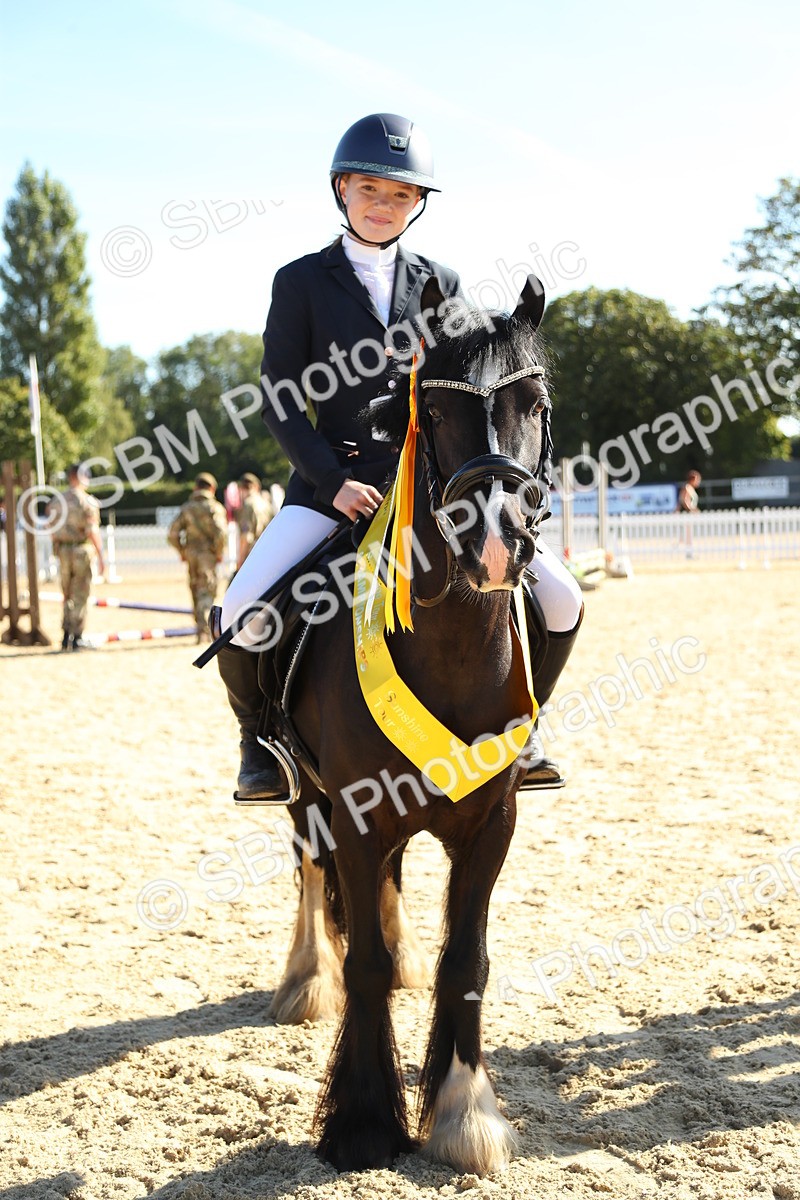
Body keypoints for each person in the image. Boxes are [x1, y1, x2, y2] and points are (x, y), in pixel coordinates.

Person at [217, 112, 583, 804]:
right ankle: (260, 744)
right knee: (240, 610)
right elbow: (280, 401)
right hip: (333, 482)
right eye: (369, 191)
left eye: (400, 196)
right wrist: (332, 482)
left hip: (434, 482)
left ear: (417, 205)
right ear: (340, 191)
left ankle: (527, 728)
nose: (383, 207)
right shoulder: (299, 283)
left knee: (562, 597)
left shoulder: (441, 281)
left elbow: (471, 390)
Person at [47, 463, 105, 651]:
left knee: (66, 593)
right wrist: (101, 555)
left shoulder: (57, 501)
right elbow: (92, 531)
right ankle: (77, 636)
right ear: (81, 477)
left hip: (63, 552)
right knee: (81, 594)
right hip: (81, 551)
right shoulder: (87, 502)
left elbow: (51, 528)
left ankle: (65, 636)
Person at [168, 473, 228, 642]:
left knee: (195, 588)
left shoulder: (187, 507)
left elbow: (172, 534)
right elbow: (221, 533)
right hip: (207, 555)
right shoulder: (214, 508)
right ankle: (206, 631)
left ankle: (199, 630)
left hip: (191, 554)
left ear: (196, 487)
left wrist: (182, 551)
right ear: (212, 488)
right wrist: (218, 552)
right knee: (207, 591)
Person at [235, 473, 275, 569]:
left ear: (241, 488)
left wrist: (240, 560)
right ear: (257, 487)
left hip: (252, 554)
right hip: (266, 551)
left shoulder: (248, 504)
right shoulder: (266, 504)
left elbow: (246, 536)